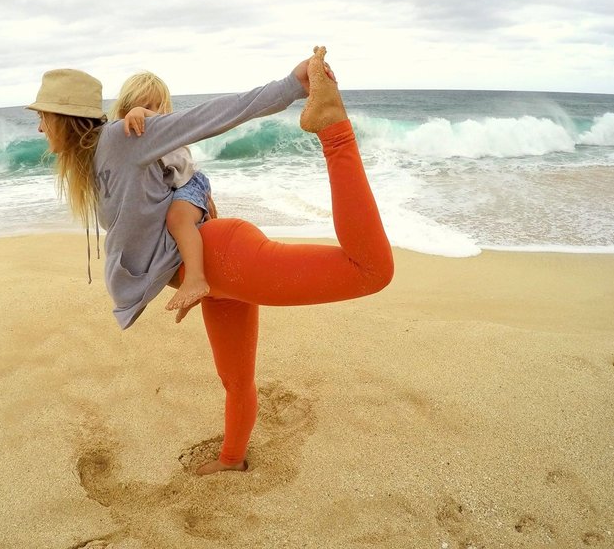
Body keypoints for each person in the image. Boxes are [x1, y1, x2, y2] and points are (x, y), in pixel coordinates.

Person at [27, 47, 393, 475]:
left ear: (63, 118)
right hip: (213, 281)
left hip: (224, 257)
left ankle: (334, 128)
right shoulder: (95, 160)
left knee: (371, 270)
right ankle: (232, 460)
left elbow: (209, 116)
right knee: (236, 380)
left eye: (42, 117)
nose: (37, 127)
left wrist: (292, 86)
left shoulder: (122, 138)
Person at [110, 71, 215, 313]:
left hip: (190, 183)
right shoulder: (130, 140)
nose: (151, 113)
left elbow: (158, 122)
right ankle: (190, 285)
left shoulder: (168, 130)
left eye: (157, 107)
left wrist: (142, 112)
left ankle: (195, 278)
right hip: (173, 188)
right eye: (142, 106)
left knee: (177, 219)